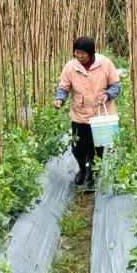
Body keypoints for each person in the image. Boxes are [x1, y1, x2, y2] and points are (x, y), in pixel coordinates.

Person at [54, 36, 120, 192]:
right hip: (80, 114)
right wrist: (59, 99)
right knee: (77, 148)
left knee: (96, 149)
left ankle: (91, 175)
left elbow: (116, 86)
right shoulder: (71, 67)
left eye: (82, 53)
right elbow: (64, 87)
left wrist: (107, 95)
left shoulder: (105, 64)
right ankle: (82, 170)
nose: (79, 56)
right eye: (76, 52)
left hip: (100, 115)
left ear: (91, 53)